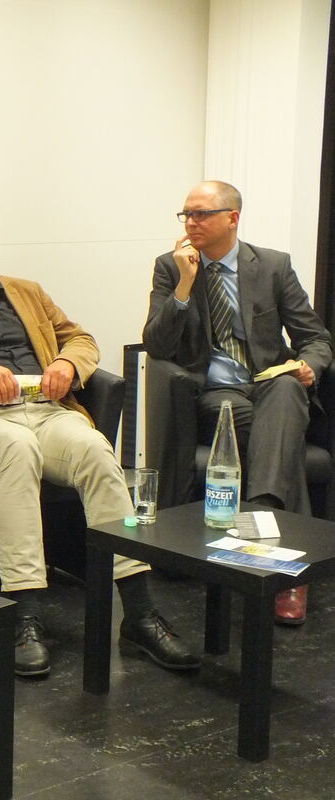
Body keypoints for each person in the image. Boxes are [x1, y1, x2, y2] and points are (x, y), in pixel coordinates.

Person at [0, 209, 199, 678]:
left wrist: (67, 365)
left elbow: (81, 339)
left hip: (49, 412)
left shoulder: (28, 292)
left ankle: (139, 612)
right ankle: (25, 613)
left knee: (95, 449)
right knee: (17, 447)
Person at [143, 180, 332, 625]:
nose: (191, 223)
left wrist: (309, 365)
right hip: (217, 394)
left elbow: (315, 337)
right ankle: (287, 568)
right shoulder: (171, 267)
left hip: (270, 384)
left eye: (201, 214)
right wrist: (185, 285)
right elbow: (157, 344)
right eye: (186, 214)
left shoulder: (272, 266)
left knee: (286, 389)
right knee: (275, 433)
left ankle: (262, 517)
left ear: (232, 218)